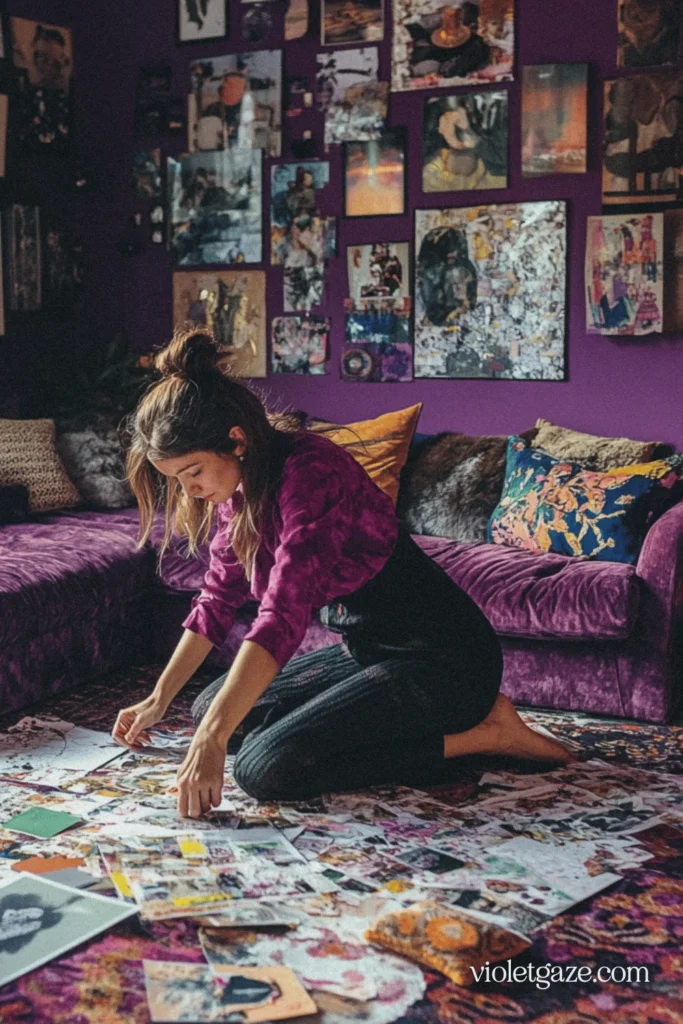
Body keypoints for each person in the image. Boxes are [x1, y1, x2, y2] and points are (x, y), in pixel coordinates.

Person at [113, 329, 575, 818]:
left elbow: (281, 615)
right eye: (178, 482)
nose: (190, 492)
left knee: (263, 769)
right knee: (212, 710)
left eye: (193, 473)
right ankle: (419, 723)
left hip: (445, 660)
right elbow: (216, 602)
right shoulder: (240, 492)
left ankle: (483, 734)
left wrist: (210, 741)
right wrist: (157, 700)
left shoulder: (311, 473)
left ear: (237, 440)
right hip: (369, 650)